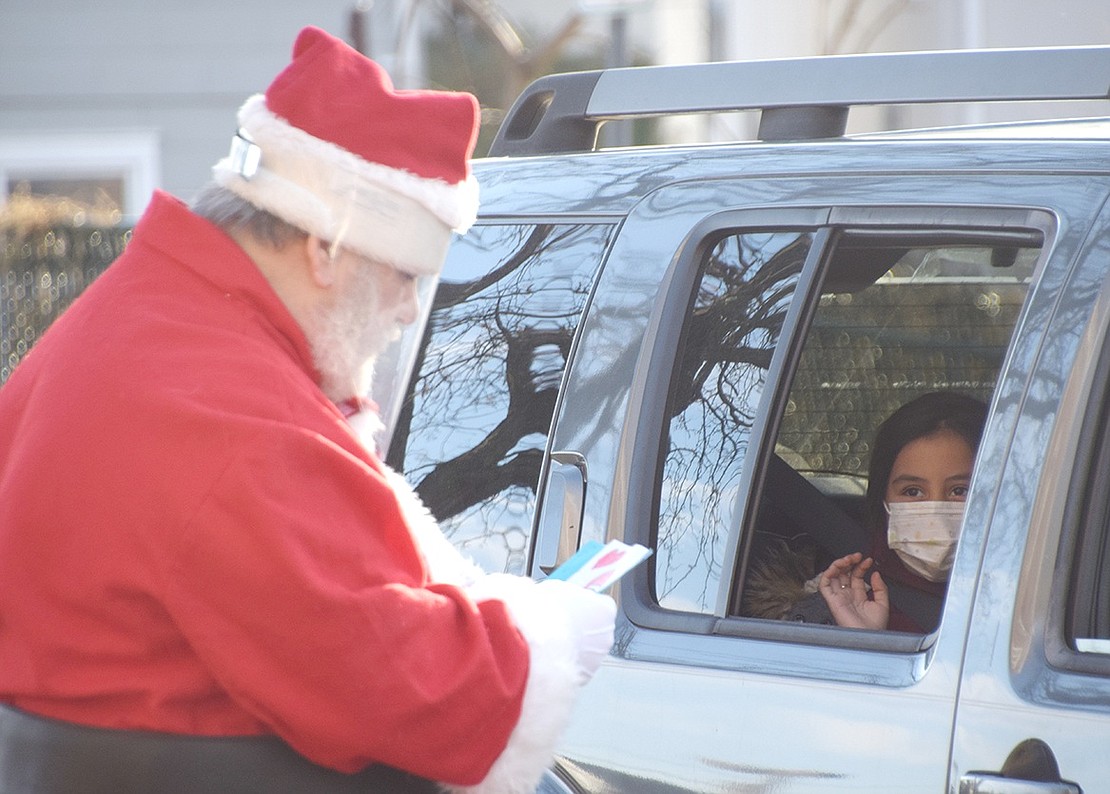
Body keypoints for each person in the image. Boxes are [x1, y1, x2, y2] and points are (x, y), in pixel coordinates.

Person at [0, 26, 616, 794]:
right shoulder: (226, 407)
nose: (404, 313)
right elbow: (394, 681)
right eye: (404, 276)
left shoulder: (141, 325)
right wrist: (544, 638)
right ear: (325, 248)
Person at [818, 391, 988, 632]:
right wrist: (863, 640)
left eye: (960, 490)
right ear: (883, 498)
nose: (936, 516)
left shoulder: (1039, 594)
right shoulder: (849, 598)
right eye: (913, 492)